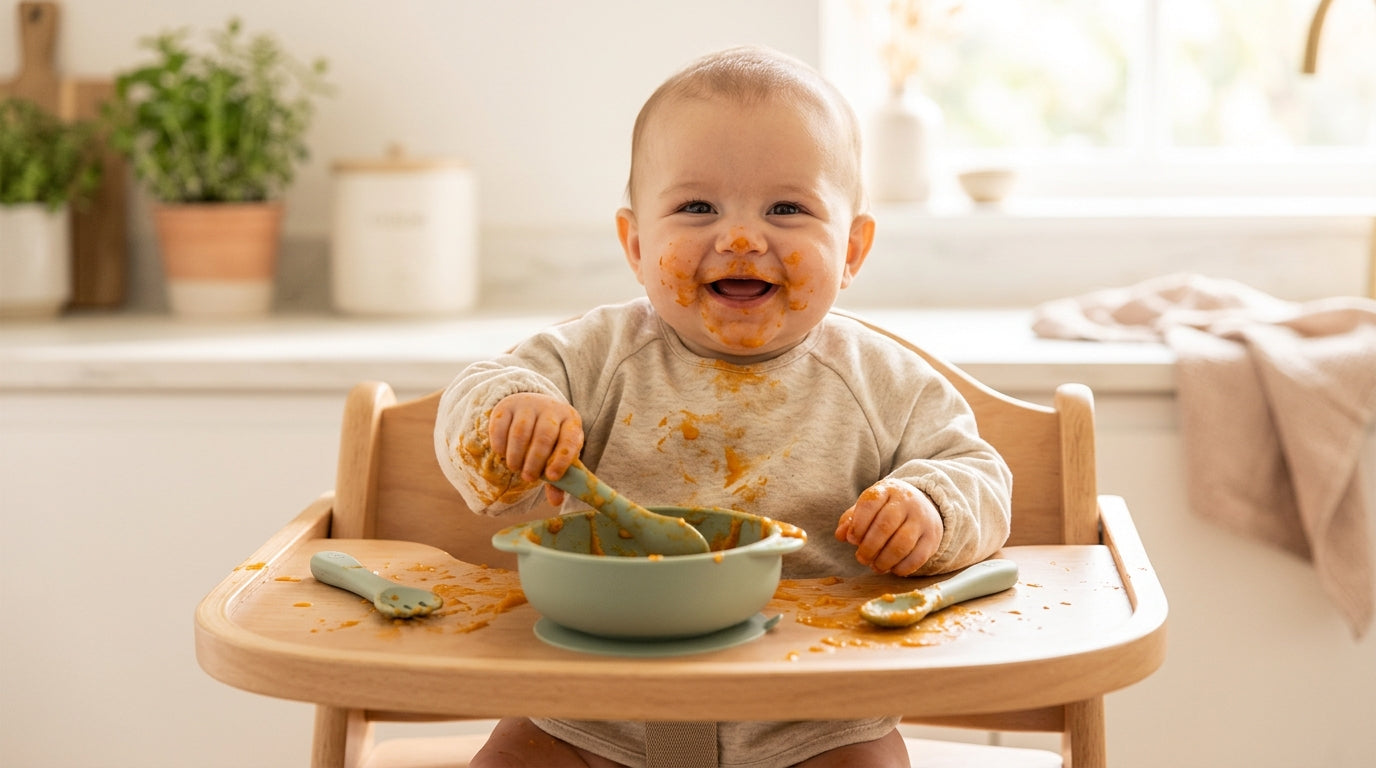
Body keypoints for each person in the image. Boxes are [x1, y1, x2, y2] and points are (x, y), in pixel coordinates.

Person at [434, 44, 1012, 768]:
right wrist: (511, 413)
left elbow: (978, 471)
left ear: (853, 248)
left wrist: (930, 508)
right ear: (637, 244)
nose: (740, 237)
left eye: (788, 208)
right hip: (593, 712)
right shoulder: (596, 356)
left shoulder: (881, 381)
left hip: (813, 722)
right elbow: (479, 389)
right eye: (697, 206)